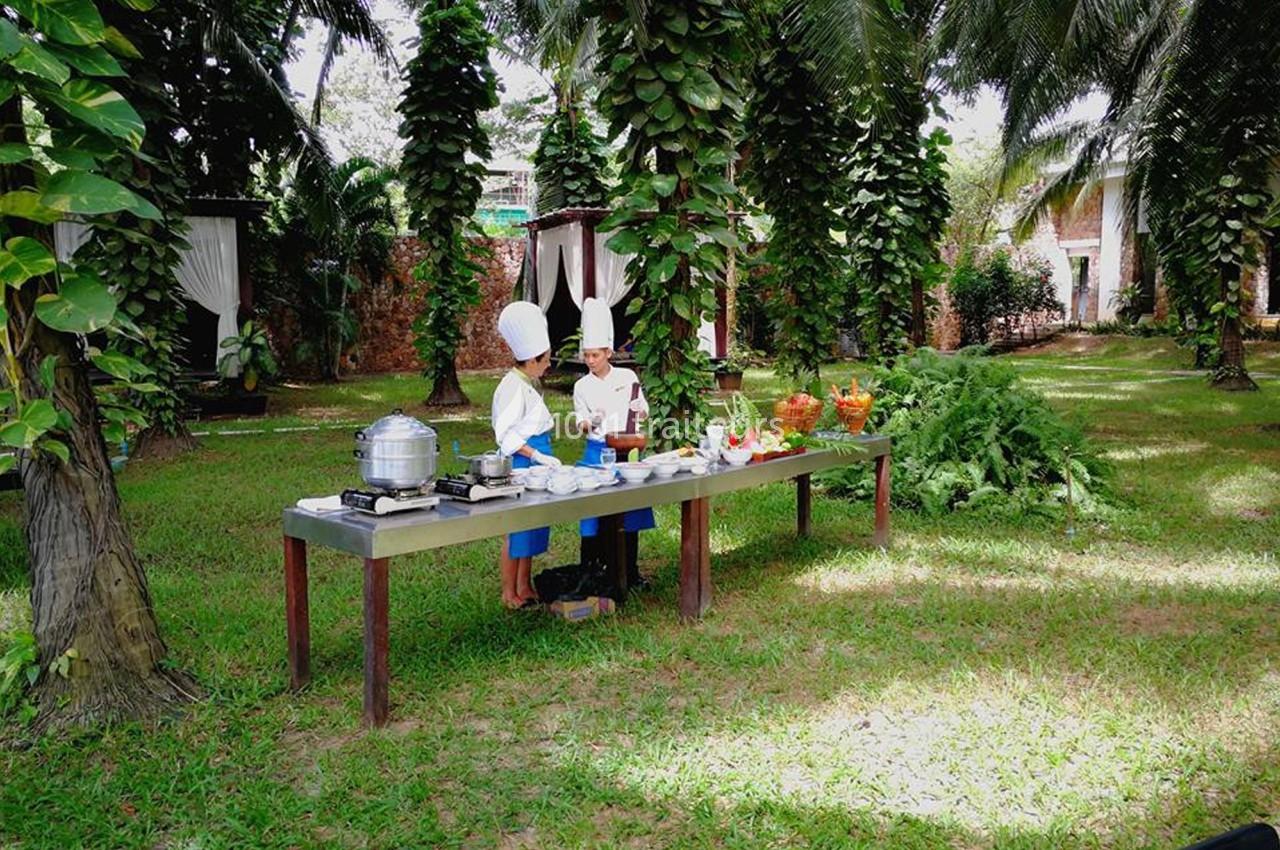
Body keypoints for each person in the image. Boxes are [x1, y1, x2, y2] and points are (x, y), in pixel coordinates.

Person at [572, 297, 655, 589]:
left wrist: (640, 408)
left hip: (627, 452)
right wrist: (591, 421)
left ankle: (630, 572)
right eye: (586, 355)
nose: (590, 361)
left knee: (629, 513)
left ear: (608, 351)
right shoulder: (581, 386)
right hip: (597, 452)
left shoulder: (627, 376)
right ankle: (592, 571)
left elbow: (641, 409)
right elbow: (580, 424)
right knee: (593, 515)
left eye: (595, 355)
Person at [493, 301, 561, 609]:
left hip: (538, 463)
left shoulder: (528, 384)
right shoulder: (510, 387)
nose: (549, 365)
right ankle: (510, 593)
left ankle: (525, 586)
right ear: (532, 360)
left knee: (533, 526)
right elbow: (506, 436)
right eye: (546, 360)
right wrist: (536, 455)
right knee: (517, 530)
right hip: (523, 463)